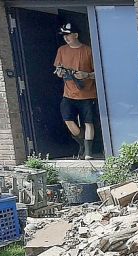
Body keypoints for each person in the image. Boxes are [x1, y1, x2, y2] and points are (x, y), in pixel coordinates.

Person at [53, 23, 97, 160]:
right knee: (68, 120)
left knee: (88, 122)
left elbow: (99, 73)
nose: (66, 38)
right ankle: (82, 142)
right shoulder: (61, 50)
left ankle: (88, 152)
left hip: (87, 93)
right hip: (68, 93)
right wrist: (60, 72)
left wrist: (86, 75)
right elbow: (57, 69)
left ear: (76, 35)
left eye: (68, 34)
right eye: (64, 35)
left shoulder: (88, 51)